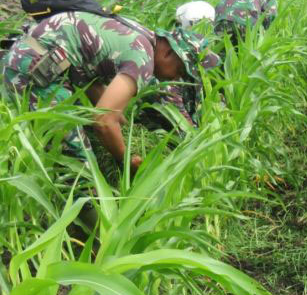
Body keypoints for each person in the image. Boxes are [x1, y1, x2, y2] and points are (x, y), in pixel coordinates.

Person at [1, 11, 218, 173]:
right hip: (35, 71)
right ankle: (89, 227)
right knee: (78, 166)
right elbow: (103, 121)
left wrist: (119, 122)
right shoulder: (143, 58)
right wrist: (127, 162)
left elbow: (91, 79)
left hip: (29, 56)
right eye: (180, 70)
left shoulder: (140, 33)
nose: (176, 79)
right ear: (169, 52)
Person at [213, 0, 278, 46]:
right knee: (249, 53)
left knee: (223, 54)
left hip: (220, 21)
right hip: (246, 23)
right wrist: (263, 32)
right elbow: (271, 16)